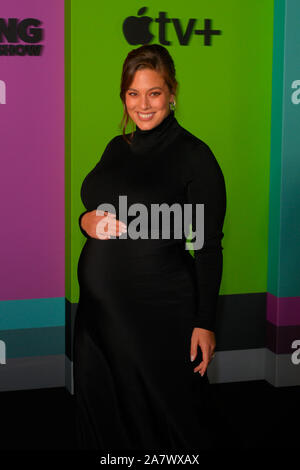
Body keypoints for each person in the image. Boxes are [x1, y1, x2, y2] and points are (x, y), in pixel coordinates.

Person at [73, 44, 229, 452]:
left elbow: (208, 247)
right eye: (133, 93)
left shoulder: (195, 157)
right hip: (98, 316)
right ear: (124, 96)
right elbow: (94, 208)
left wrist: (205, 322)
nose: (143, 105)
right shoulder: (116, 147)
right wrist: (85, 221)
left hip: (159, 313)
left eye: (154, 93)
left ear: (172, 92)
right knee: (105, 410)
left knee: (171, 419)